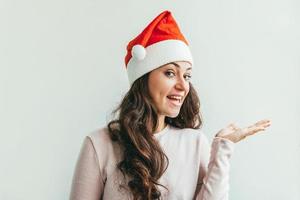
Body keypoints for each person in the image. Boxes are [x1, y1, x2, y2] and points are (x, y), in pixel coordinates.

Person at [69, 10, 271, 200]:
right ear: (143, 78)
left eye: (187, 75)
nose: (183, 85)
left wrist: (223, 148)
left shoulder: (195, 143)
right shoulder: (99, 144)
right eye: (170, 73)